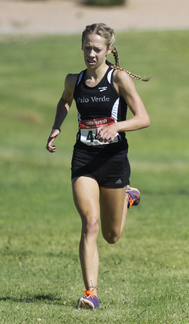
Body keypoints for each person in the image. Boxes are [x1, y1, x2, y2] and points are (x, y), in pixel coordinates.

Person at [46, 23, 150, 309]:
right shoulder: (74, 80)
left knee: (111, 235)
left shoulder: (119, 79)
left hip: (114, 161)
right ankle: (90, 292)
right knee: (90, 223)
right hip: (84, 160)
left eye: (97, 49)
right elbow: (65, 101)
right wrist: (57, 126)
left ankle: (127, 196)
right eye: (87, 47)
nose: (91, 53)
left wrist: (116, 126)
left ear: (108, 50)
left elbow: (143, 118)